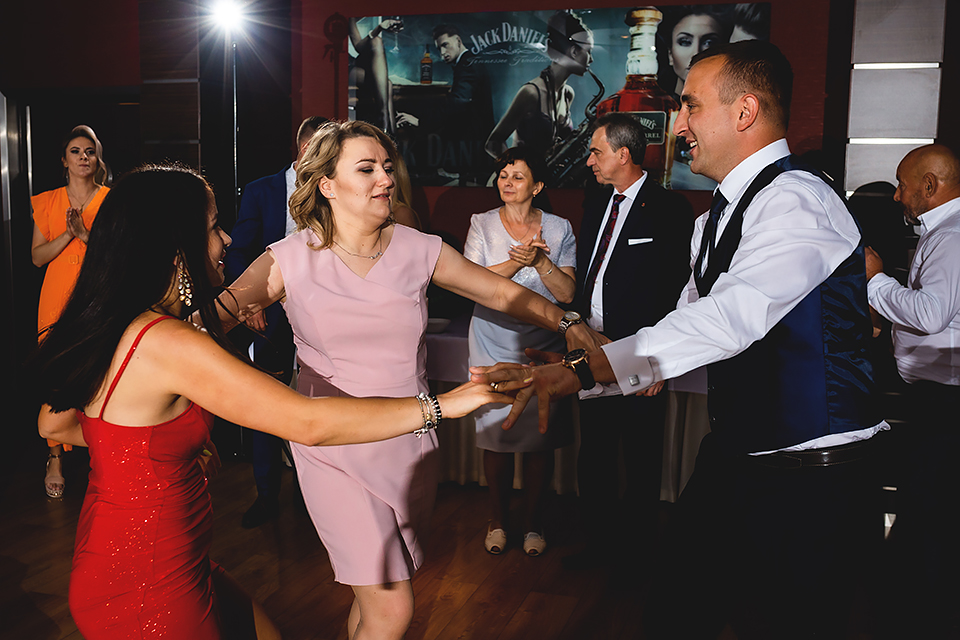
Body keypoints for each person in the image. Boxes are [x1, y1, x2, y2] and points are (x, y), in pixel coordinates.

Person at [475, 40, 887, 638]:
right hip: (738, 450)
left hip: (814, 467)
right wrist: (597, 363)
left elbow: (727, 319)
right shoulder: (711, 219)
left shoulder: (797, 200)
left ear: (744, 111)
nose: (679, 125)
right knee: (675, 606)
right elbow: (684, 323)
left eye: (691, 106)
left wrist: (582, 371)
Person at [31, 162, 509, 640]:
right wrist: (442, 406)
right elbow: (308, 423)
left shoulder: (123, 323)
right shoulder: (168, 341)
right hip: (146, 582)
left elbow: (53, 424)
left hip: (152, 556)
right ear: (177, 250)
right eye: (213, 227)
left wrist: (159, 451)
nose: (226, 240)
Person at [218, 120, 603, 640]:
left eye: (386, 166)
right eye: (366, 169)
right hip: (332, 444)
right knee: (392, 606)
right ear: (327, 185)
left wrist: (567, 321)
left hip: (409, 441)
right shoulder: (286, 260)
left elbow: (498, 292)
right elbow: (208, 324)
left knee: (375, 597)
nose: (386, 178)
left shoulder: (418, 248)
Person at [563, 112, 693, 571]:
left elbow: (679, 289)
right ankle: (597, 547)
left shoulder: (670, 209)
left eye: (596, 152)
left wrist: (660, 360)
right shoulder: (596, 201)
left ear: (623, 154)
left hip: (640, 351)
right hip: (590, 347)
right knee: (594, 454)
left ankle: (636, 557)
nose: (589, 160)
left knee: (640, 454)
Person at [864, 144, 960, 638]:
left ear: (930, 185)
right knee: (929, 508)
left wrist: (875, 281)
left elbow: (930, 313)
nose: (897, 195)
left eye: (903, 185)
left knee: (929, 511)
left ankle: (915, 619)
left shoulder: (951, 235)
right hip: (938, 395)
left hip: (946, 401)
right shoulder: (942, 232)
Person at [465, 147, 577, 556]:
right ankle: (497, 520)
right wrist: (517, 263)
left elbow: (567, 293)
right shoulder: (481, 223)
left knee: (539, 438)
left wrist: (541, 261)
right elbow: (470, 282)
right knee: (496, 434)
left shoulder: (559, 228)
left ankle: (533, 523)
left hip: (542, 340)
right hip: (491, 336)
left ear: (538, 186)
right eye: (503, 175)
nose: (507, 183)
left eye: (517, 177)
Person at [226, 115, 327, 528]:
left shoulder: (333, 191)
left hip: (322, 316)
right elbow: (239, 251)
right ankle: (266, 495)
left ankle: (313, 500)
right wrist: (250, 304)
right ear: (303, 149)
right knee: (265, 404)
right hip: (270, 317)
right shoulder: (261, 190)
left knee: (319, 404)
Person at [31, 124, 110, 499]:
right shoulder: (47, 201)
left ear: (97, 158)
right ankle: (55, 457)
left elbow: (116, 254)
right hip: (55, 298)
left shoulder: (110, 200)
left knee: (97, 372)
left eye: (89, 151)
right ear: (64, 160)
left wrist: (83, 234)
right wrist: (67, 233)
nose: (83, 157)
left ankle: (100, 451)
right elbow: (37, 257)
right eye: (76, 151)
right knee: (57, 373)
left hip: (96, 296)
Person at [484, 10, 594, 160]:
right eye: (589, 51)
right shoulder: (531, 93)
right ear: (574, 51)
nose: (591, 59)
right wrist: (518, 170)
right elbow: (493, 144)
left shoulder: (568, 94)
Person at [397, 23, 495, 185]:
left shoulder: (468, 65)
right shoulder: (468, 62)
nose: (442, 53)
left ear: (458, 41)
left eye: (445, 45)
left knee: (419, 152)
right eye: (439, 48)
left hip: (472, 143)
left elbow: (457, 103)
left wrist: (420, 121)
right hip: (472, 140)